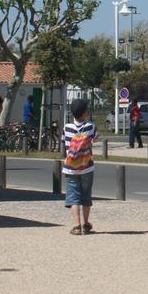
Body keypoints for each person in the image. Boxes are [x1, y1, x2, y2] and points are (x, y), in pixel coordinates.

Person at [63, 98, 97, 235]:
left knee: (73, 197)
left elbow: (63, 140)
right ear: (84, 113)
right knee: (86, 196)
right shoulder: (91, 126)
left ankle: (77, 226)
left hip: (70, 168)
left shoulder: (67, 127)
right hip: (87, 167)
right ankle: (86, 223)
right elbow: (96, 137)